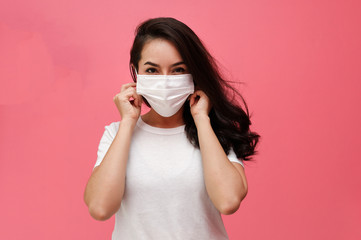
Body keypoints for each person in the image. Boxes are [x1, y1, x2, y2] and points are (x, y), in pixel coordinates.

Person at [84, 17, 259, 239]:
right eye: (152, 70)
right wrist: (128, 122)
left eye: (178, 70)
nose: (165, 81)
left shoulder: (214, 132)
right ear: (136, 73)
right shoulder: (116, 133)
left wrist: (201, 119)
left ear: (194, 74)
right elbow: (100, 208)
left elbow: (228, 201)